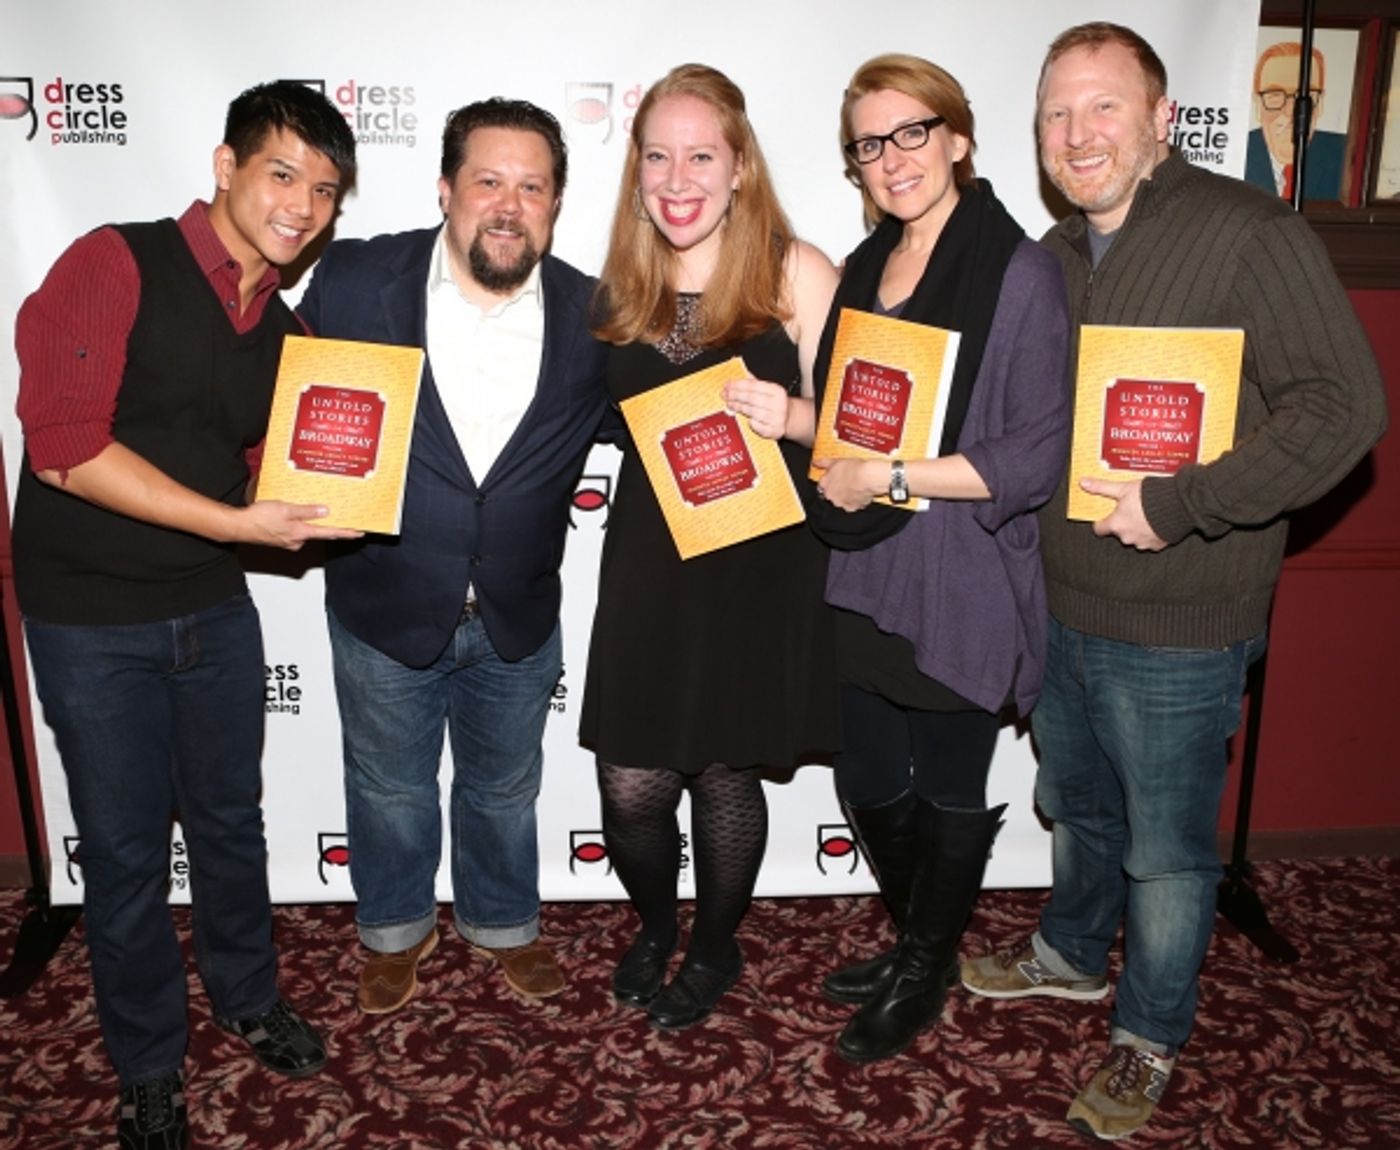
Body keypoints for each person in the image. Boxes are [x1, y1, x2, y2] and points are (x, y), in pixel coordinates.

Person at [960, 23, 1387, 1142]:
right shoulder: (1049, 257)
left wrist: (1182, 500)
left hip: (1182, 623)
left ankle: (1148, 1031)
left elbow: (1343, 407)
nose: (1074, 133)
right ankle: (1066, 951)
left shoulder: (1247, 229)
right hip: (1061, 600)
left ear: (1160, 121)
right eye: (1055, 113)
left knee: (1166, 846)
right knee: (1081, 806)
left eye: (1102, 107)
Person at [12, 82, 359, 1150]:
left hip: (211, 603)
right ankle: (149, 1061)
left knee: (228, 823)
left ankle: (248, 996)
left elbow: (269, 467)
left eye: (326, 190)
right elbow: (63, 450)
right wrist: (236, 522)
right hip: (90, 619)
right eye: (282, 173)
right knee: (121, 853)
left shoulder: (283, 327)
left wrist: (352, 490)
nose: (302, 204)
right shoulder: (110, 263)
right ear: (225, 165)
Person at [296, 99, 610, 1015]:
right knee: (388, 789)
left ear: (554, 205)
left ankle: (503, 923)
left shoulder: (596, 315)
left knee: (505, 790)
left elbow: (664, 420)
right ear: (446, 189)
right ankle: (395, 930)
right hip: (385, 606)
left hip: (516, 611)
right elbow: (286, 405)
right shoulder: (354, 279)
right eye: (488, 181)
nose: (509, 205)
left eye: (532, 187)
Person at [807, 54, 1070, 1065]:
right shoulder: (868, 263)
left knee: (950, 784)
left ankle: (922, 969)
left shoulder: (1019, 268)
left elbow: (1031, 456)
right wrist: (795, 422)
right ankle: (919, 940)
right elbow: (847, 413)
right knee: (870, 777)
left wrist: (895, 479)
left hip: (958, 570)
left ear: (956, 137)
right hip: (865, 565)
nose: (890, 157)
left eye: (909, 132)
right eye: (870, 143)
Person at [579, 63, 840, 1029]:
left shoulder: (795, 270)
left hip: (758, 565)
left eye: (700, 155)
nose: (677, 178)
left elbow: (855, 430)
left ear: (739, 168)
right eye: (658, 156)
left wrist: (792, 415)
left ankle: (717, 944)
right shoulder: (622, 287)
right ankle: (656, 922)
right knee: (633, 782)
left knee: (727, 769)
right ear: (637, 170)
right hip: (650, 559)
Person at [1244, 41, 1347, 203]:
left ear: (1321, 104)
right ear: (1257, 104)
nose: (1291, 111)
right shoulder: (1236, 152)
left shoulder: (1346, 155)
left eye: (1305, 96)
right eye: (1275, 95)